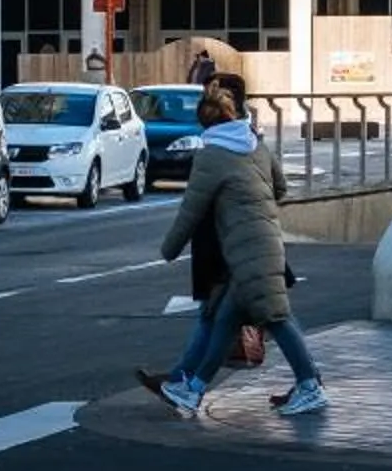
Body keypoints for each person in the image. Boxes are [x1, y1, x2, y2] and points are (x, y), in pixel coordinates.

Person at [138, 84, 323, 416]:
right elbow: (280, 188)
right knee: (225, 319)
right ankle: (192, 390)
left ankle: (309, 385)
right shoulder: (257, 146)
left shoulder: (211, 155)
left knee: (277, 318)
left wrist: (169, 249)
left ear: (207, 125)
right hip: (265, 242)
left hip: (244, 249)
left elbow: (191, 210)